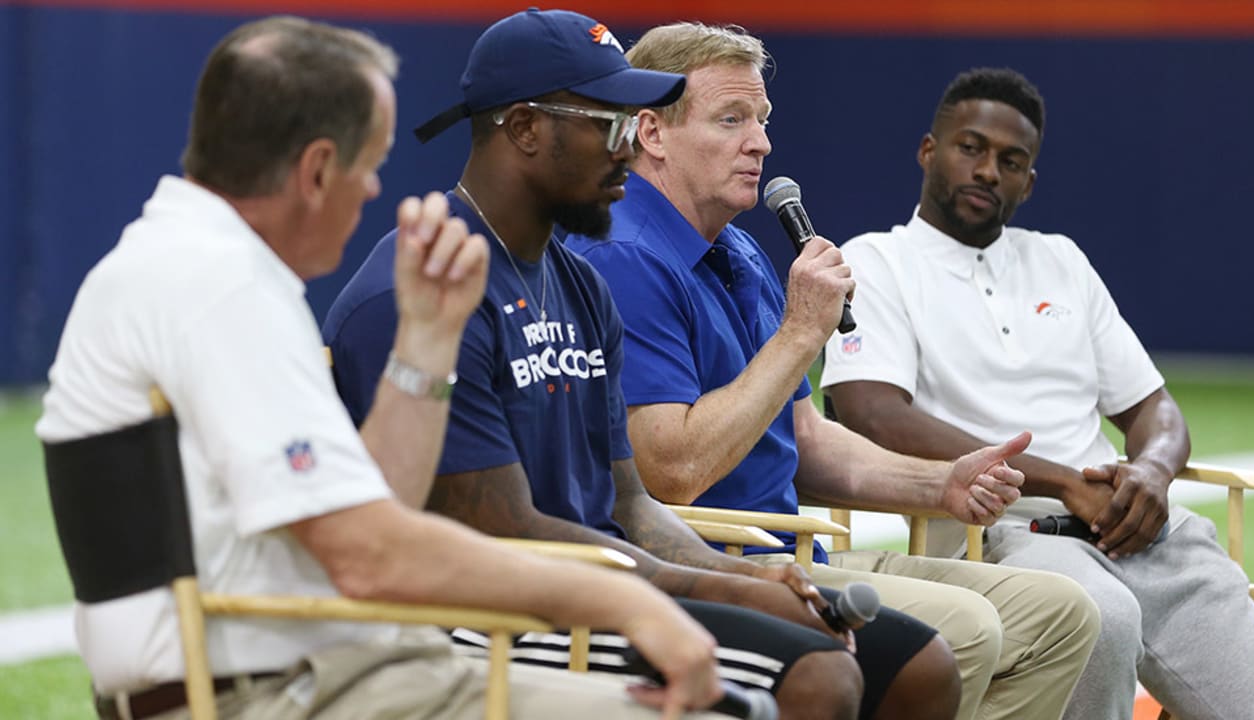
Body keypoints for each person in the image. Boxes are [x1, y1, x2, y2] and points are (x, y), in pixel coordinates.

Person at [35, 16, 734, 720]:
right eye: (367, 166)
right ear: (314, 170)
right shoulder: (216, 288)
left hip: (331, 668)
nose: (373, 191)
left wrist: (425, 347)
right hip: (271, 691)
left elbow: (380, 513)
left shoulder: (201, 266)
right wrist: (620, 596)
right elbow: (367, 556)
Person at [326, 9, 889, 720]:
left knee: (901, 659)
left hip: (587, 583)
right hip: (484, 612)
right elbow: (503, 527)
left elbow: (628, 503)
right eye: (610, 122)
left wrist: (738, 571)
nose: (630, 148)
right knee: (818, 676)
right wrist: (722, 589)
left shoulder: (578, 282)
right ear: (526, 129)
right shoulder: (422, 289)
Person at [564, 24, 1101, 720]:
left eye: (761, 120)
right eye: (731, 120)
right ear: (652, 133)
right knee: (966, 629)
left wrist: (940, 481)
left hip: (788, 547)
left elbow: (805, 440)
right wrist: (798, 333)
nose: (760, 142)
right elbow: (669, 472)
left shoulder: (739, 251)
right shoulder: (625, 256)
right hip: (714, 560)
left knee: (1061, 614)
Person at [819, 66, 1254, 720]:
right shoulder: (874, 263)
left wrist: (1149, 472)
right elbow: (871, 415)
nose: (987, 170)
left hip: (1131, 529)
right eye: (970, 147)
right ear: (930, 150)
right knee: (1102, 615)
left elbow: (1154, 407)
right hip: (994, 533)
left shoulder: (1060, 260)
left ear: (1028, 183)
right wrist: (1063, 482)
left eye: (1010, 161)